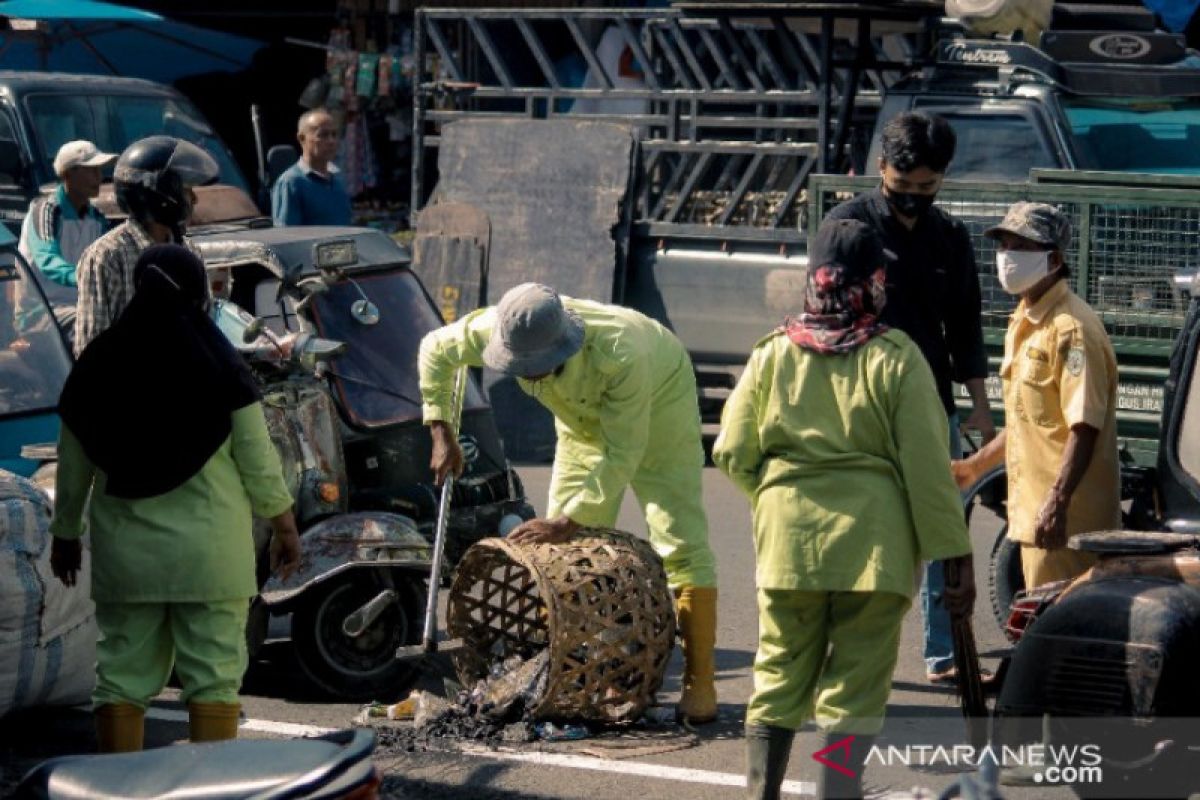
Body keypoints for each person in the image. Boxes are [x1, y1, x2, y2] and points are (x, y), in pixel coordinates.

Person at [713, 218, 975, 800]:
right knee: (854, 691)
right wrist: (954, 555)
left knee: (778, 673)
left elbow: (731, 450)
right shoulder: (898, 357)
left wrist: (776, 498)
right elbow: (929, 472)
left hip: (788, 546)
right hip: (874, 551)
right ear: (872, 283)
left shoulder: (772, 353)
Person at [419, 283, 719, 723]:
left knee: (678, 537)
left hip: (659, 402)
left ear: (564, 347)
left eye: (537, 367)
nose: (530, 374)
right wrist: (440, 429)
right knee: (564, 555)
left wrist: (568, 518)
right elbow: (434, 348)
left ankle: (700, 681)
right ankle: (584, 667)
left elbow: (623, 453)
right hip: (581, 427)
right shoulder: (496, 329)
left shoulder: (620, 352)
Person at [48, 244, 301, 753]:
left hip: (129, 558)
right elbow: (258, 460)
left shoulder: (99, 363)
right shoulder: (222, 364)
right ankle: (209, 785)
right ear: (196, 293)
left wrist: (65, 534)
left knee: (121, 677)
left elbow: (72, 465)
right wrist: (284, 527)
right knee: (213, 678)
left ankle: (119, 788)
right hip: (211, 559)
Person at [826, 111, 991, 686]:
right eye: (904, 185)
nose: (915, 197)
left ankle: (943, 654)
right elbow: (823, 314)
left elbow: (965, 322)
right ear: (881, 168)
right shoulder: (848, 228)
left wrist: (979, 400)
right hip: (861, 405)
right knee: (861, 527)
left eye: (928, 187)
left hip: (931, 403)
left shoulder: (950, 236)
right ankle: (844, 650)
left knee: (945, 523)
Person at [953, 203, 1119, 589]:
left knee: (1063, 637)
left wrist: (1057, 501)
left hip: (1067, 526)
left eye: (1020, 247)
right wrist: (973, 467)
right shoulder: (1023, 321)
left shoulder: (1071, 330)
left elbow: (1084, 425)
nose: (1006, 257)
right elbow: (1029, 423)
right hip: (1034, 517)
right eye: (1004, 245)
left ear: (1054, 258)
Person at [73, 136, 219, 355]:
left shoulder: (189, 252)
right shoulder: (107, 256)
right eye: (185, 190)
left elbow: (206, 329)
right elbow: (91, 350)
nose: (194, 199)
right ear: (159, 194)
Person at [17, 140, 116, 340]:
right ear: (68, 174)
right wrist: (86, 277)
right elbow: (47, 260)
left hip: (82, 307)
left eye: (99, 169)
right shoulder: (46, 211)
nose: (99, 177)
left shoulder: (96, 217)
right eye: (91, 170)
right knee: (98, 326)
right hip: (41, 312)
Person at [271, 109, 353, 227]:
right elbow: (286, 237)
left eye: (334, 134)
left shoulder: (338, 179)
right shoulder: (291, 183)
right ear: (301, 138)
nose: (331, 141)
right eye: (323, 135)